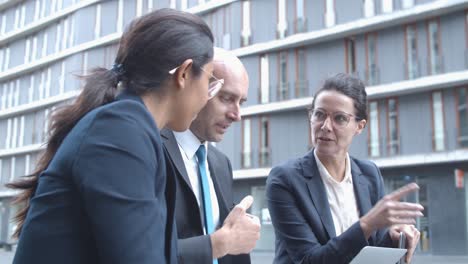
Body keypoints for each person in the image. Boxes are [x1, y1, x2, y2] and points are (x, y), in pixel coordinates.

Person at [8, 9, 215, 264]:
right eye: (209, 80)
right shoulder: (120, 132)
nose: (208, 96)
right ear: (184, 73)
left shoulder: (129, 128)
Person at [266, 73, 424, 264]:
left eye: (339, 118)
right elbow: (309, 260)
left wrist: (396, 238)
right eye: (319, 114)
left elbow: (375, 250)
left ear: (359, 126)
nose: (325, 126)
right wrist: (367, 224)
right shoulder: (285, 179)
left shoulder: (369, 174)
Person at [161, 48, 260, 264]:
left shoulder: (220, 164)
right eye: (226, 98)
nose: (237, 115)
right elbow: (143, 250)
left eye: (241, 102)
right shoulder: (152, 148)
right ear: (193, 86)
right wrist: (220, 242)